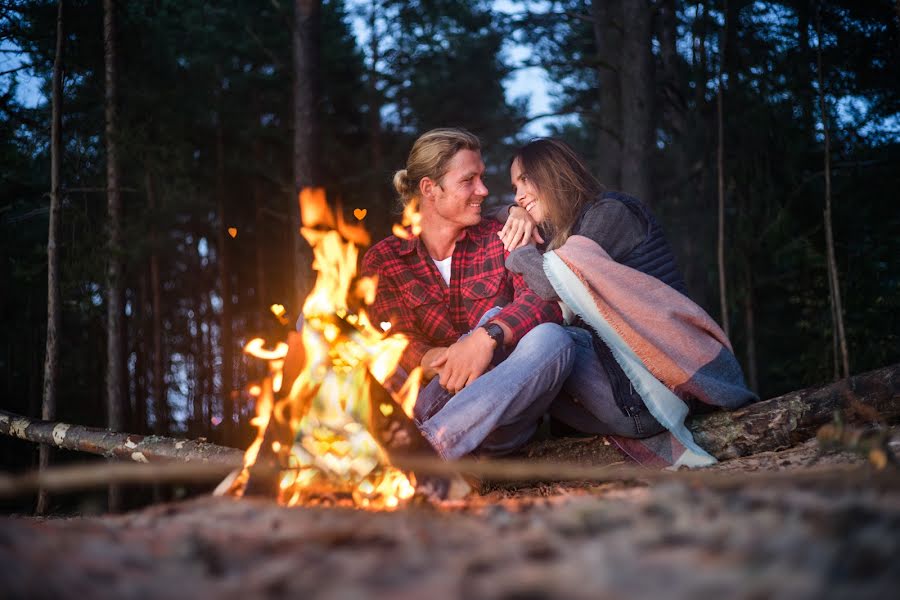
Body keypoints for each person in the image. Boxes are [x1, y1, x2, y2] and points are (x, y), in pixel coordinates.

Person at [495, 138, 755, 464]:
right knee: (508, 327)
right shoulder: (564, 232)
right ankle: (476, 443)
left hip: (660, 382)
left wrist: (520, 251)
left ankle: (451, 444)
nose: (519, 194)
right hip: (627, 386)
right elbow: (488, 218)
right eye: (513, 187)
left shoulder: (611, 213)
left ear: (550, 173)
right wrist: (513, 210)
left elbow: (553, 284)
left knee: (542, 338)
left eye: (524, 181)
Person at [362, 128, 575, 462]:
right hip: (422, 398)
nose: (483, 190)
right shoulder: (384, 259)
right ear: (429, 189)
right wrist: (433, 358)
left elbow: (542, 300)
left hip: (497, 417)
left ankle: (425, 451)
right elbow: (393, 336)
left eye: (482, 178)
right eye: (469, 180)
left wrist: (485, 339)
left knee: (553, 339)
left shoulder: (503, 235)